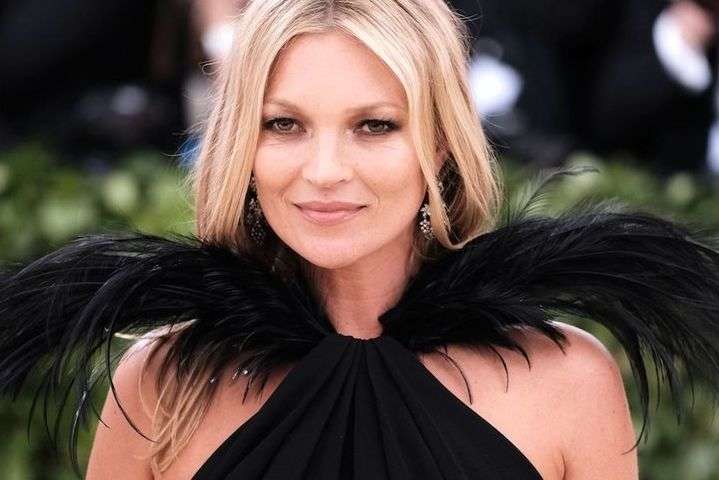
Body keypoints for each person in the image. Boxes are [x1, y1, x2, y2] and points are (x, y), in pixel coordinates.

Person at [1, 1, 719, 479]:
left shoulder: (565, 380)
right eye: (283, 124)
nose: (324, 171)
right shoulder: (162, 384)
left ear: (440, 146)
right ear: (242, 145)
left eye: (374, 126)